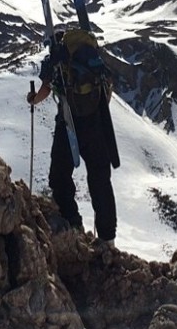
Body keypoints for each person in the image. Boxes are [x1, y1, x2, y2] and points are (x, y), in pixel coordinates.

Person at [27, 31, 117, 245]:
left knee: (59, 177)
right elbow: (107, 87)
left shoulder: (56, 59)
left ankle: (72, 224)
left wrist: (32, 100)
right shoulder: (91, 56)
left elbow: (45, 89)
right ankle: (107, 237)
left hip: (68, 123)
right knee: (100, 179)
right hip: (96, 123)